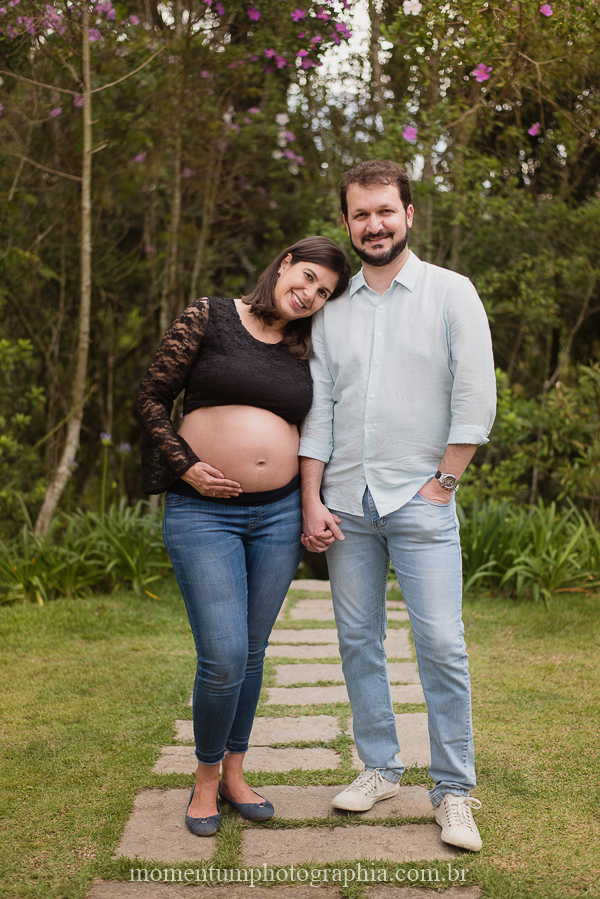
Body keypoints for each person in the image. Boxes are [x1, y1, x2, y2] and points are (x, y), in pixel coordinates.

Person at [299, 160, 496, 852]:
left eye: (386, 210)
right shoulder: (335, 310)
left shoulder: (451, 293)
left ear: (409, 214)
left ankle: (453, 791)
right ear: (346, 223)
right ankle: (380, 766)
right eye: (360, 213)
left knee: (442, 642)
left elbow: (476, 398)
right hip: (347, 505)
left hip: (422, 500)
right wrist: (312, 498)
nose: (374, 224)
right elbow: (319, 412)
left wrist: (443, 482)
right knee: (357, 643)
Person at [136, 237, 351, 837]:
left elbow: (317, 426)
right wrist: (183, 464)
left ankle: (234, 772)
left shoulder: (308, 347)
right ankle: (205, 779)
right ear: (284, 263)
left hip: (278, 515)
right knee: (224, 654)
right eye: (306, 277)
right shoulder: (210, 315)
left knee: (253, 651)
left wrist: (312, 503)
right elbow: (151, 396)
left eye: (323, 292)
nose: (309, 294)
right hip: (203, 513)